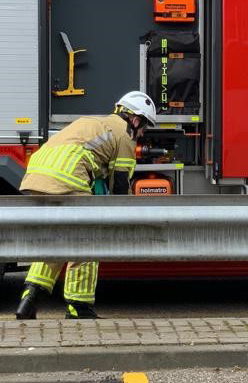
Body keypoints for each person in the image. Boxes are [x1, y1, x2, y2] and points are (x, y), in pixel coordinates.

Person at [14, 91, 156, 321]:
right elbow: (120, 184)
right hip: (67, 177)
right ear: (135, 119)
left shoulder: (94, 122)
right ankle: (79, 307)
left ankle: (29, 298)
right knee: (87, 240)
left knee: (57, 239)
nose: (142, 133)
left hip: (36, 176)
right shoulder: (124, 135)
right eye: (144, 128)